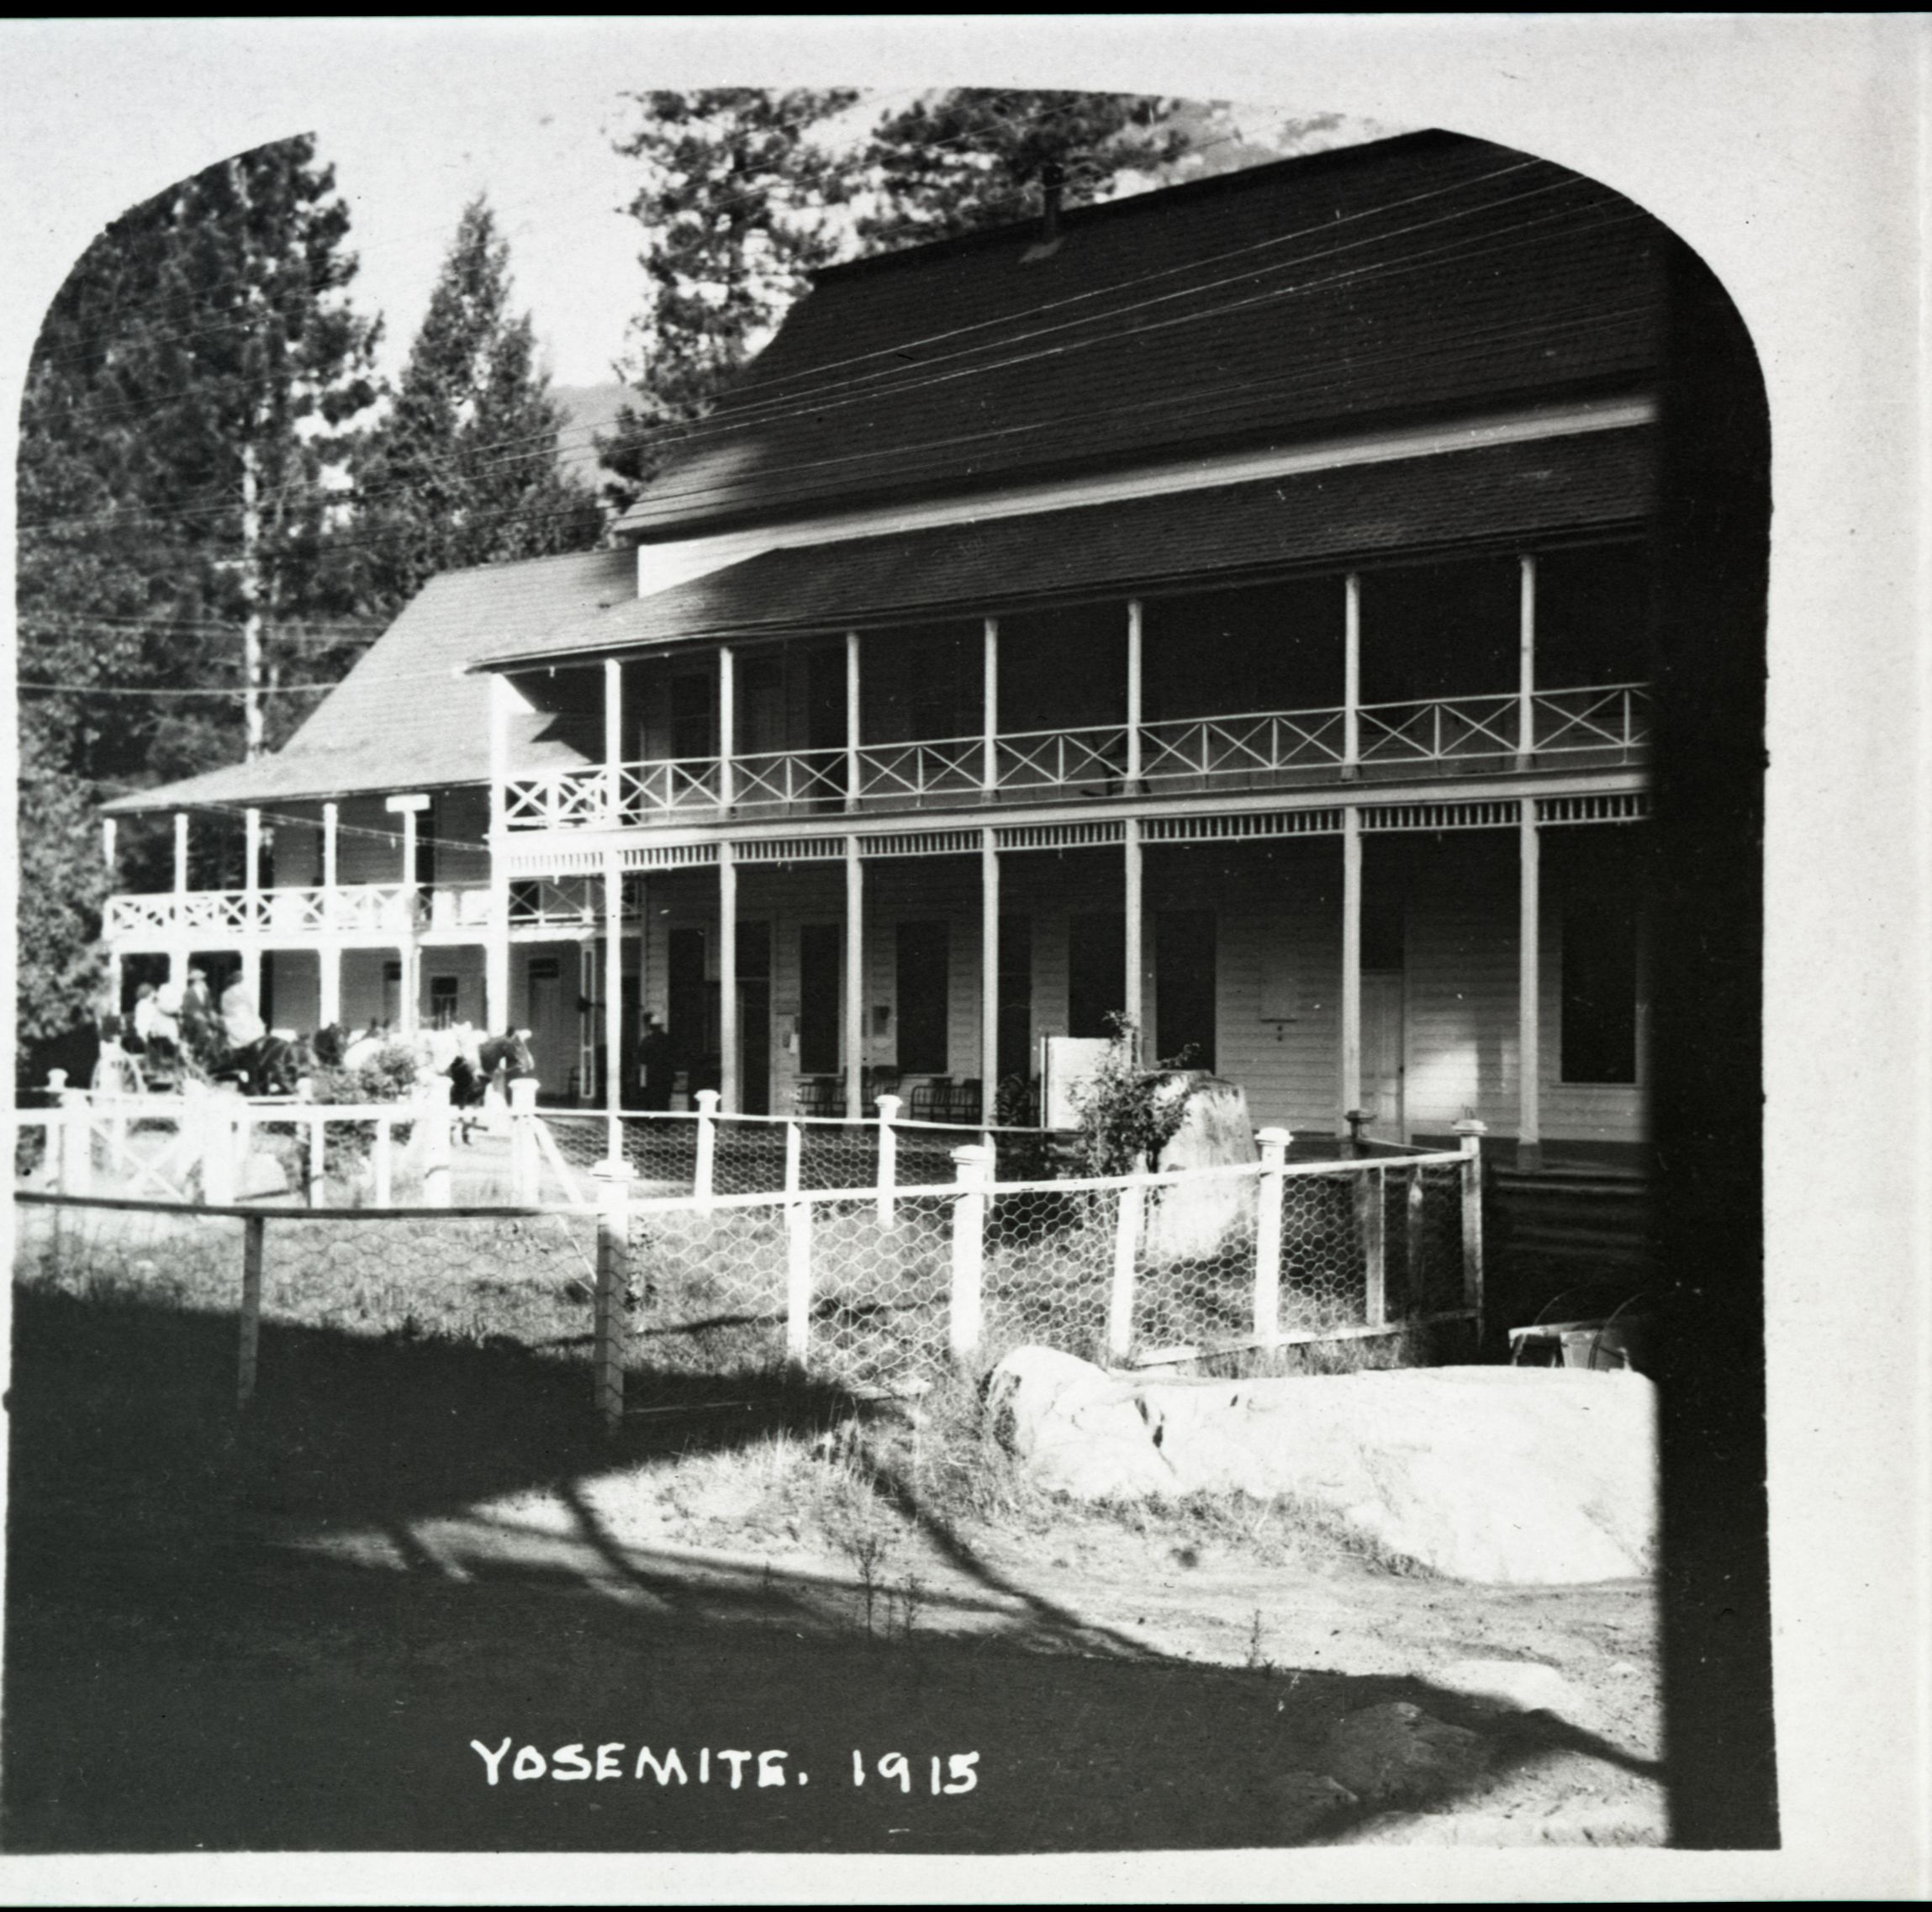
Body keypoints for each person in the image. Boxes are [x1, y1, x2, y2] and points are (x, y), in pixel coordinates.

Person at [637, 1012, 675, 1112]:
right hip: (667, 1077)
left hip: (653, 1076)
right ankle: (664, 1125)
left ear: (650, 1027)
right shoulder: (668, 1039)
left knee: (653, 1102)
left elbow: (642, 1059)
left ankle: (655, 1125)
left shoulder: (647, 1041)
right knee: (664, 1103)